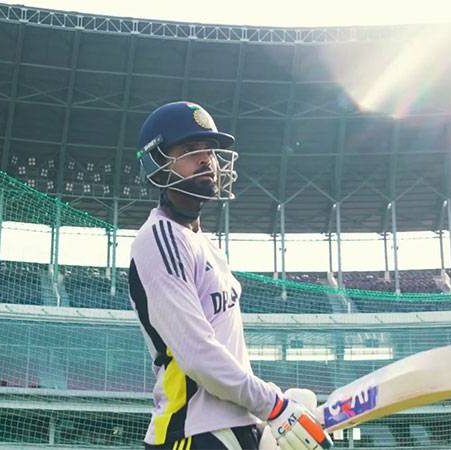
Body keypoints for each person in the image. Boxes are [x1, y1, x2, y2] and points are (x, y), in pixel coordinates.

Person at [129, 101, 333, 450]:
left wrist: (265, 414)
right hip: (191, 433)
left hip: (236, 426)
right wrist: (275, 405)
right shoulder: (159, 239)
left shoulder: (205, 245)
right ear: (160, 164)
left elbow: (227, 352)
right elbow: (197, 354)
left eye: (209, 150)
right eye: (191, 150)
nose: (207, 160)